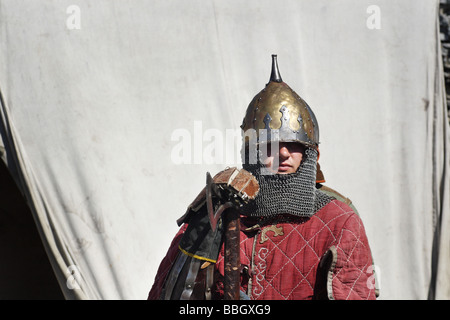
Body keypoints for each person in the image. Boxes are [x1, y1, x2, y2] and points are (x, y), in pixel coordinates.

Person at [148, 55, 377, 300]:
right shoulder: (220, 212)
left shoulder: (337, 220)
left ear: (311, 152)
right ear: (252, 153)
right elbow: (170, 293)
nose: (284, 153)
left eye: (294, 144)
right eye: (271, 145)